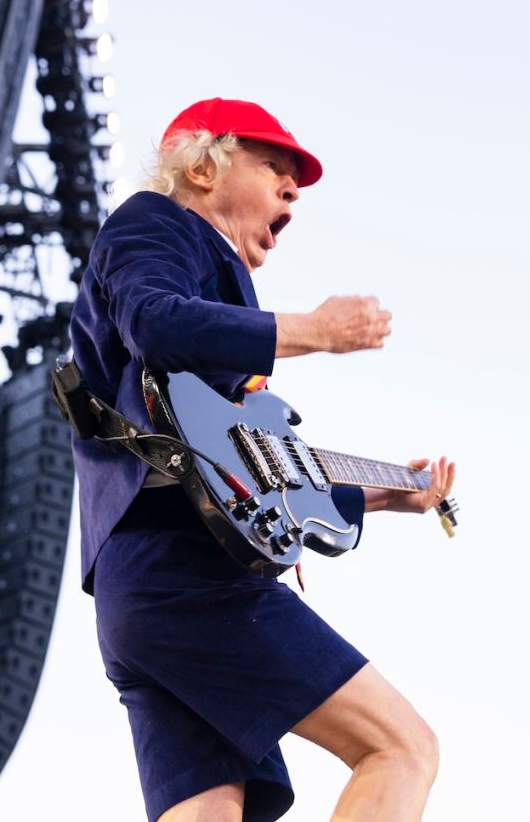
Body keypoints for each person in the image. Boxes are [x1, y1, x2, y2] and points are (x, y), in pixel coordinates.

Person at [69, 97, 457, 822]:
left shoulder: (210, 368)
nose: (291, 190)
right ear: (202, 161)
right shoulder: (156, 222)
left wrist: (389, 494)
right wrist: (310, 329)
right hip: (184, 571)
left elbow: (260, 474)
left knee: (214, 812)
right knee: (401, 749)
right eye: (275, 165)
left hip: (143, 593)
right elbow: (154, 320)